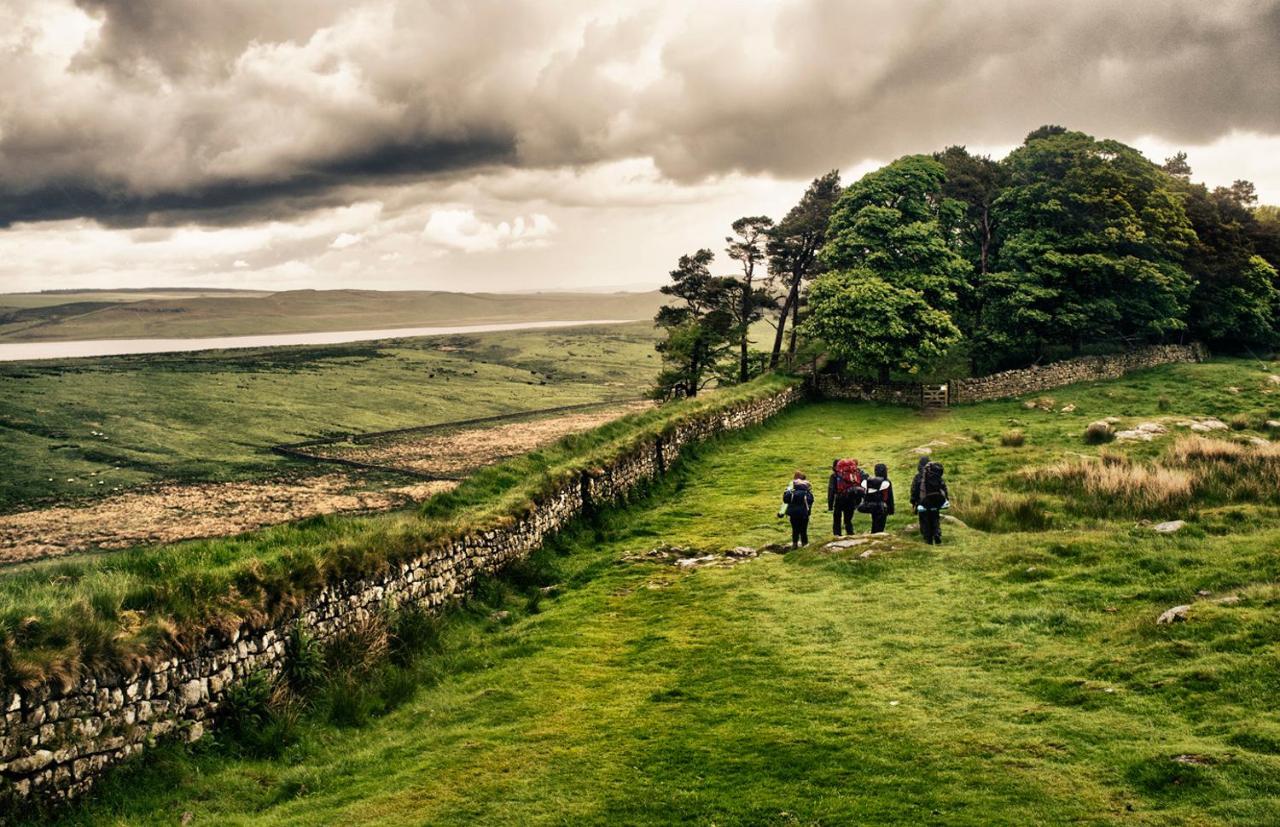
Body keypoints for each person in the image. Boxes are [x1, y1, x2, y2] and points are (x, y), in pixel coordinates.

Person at [914, 461, 949, 545]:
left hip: (924, 502)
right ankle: (937, 533)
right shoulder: (938, 477)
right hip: (936, 501)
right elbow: (944, 488)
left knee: (925, 521)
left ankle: (928, 540)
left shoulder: (921, 477)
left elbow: (916, 490)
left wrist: (914, 501)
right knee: (935, 518)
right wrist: (945, 499)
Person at [831, 458, 866, 535]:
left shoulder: (834, 475)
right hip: (851, 498)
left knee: (837, 518)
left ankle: (837, 534)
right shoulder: (854, 473)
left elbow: (831, 490)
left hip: (840, 498)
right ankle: (850, 533)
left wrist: (830, 505)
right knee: (848, 519)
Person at [782, 471, 814, 548]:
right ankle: (804, 544)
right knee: (803, 530)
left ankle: (794, 544)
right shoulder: (806, 491)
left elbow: (785, 500)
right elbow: (811, 500)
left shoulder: (791, 490)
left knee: (795, 529)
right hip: (803, 514)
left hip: (793, 514)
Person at [859, 463, 894, 534]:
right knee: (880, 524)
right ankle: (878, 536)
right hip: (882, 506)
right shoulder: (886, 481)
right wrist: (891, 509)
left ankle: (873, 534)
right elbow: (890, 497)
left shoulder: (870, 481)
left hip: (872, 506)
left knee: (874, 521)